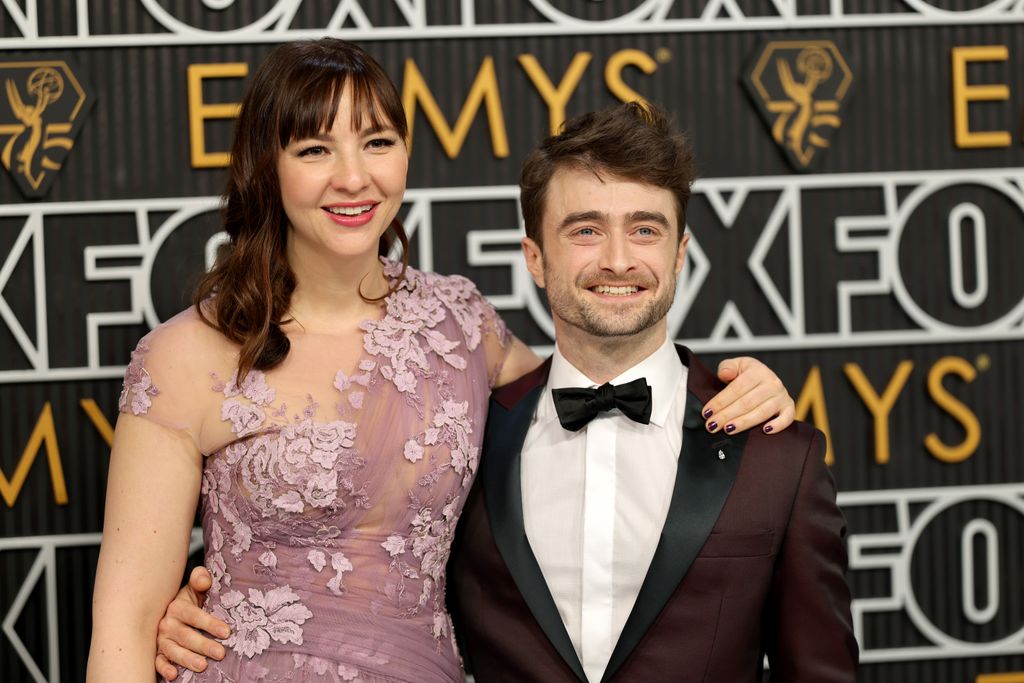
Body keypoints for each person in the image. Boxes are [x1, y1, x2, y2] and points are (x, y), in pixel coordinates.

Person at [88, 39, 796, 683]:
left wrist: (738, 385)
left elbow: (592, 385)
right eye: (313, 150)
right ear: (264, 168)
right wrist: (181, 605)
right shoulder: (184, 356)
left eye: (378, 141)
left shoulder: (459, 325)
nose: (353, 177)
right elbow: (121, 634)